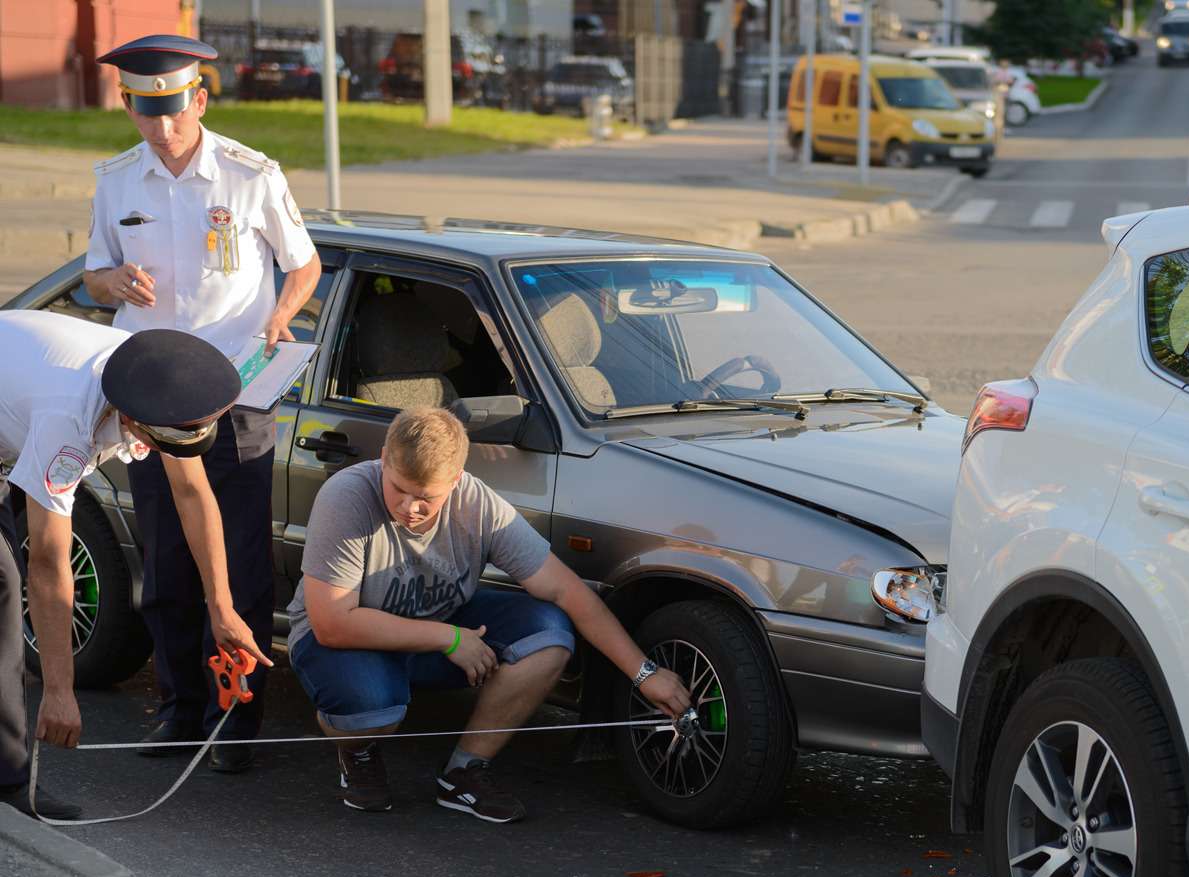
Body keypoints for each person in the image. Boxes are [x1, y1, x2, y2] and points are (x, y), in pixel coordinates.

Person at [82, 35, 321, 773]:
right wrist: (114, 284)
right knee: (168, 559)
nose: (162, 127)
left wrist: (283, 312)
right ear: (128, 104)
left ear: (201, 99)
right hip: (152, 393)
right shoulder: (117, 179)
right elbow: (92, 276)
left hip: (234, 390)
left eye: (174, 109)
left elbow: (305, 263)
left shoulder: (250, 174)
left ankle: (235, 718)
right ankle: (180, 709)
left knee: (243, 566)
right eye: (146, 111)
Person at [286, 407, 692, 823]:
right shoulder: (347, 495)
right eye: (399, 489)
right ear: (385, 458)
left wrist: (644, 673)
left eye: (427, 497)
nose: (410, 508)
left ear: (457, 480)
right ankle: (358, 748)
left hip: (437, 624)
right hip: (344, 640)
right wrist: (451, 639)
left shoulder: (478, 504)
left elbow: (565, 588)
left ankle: (464, 772)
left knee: (550, 637)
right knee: (372, 708)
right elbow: (334, 624)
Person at [0, 312, 273, 820]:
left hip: (12, 420)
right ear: (130, 419)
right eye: (153, 441)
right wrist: (59, 690)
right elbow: (48, 561)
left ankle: (9, 781)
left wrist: (223, 607)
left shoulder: (158, 384)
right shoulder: (68, 424)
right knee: (6, 579)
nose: (155, 452)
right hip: (20, 419)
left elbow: (193, 494)